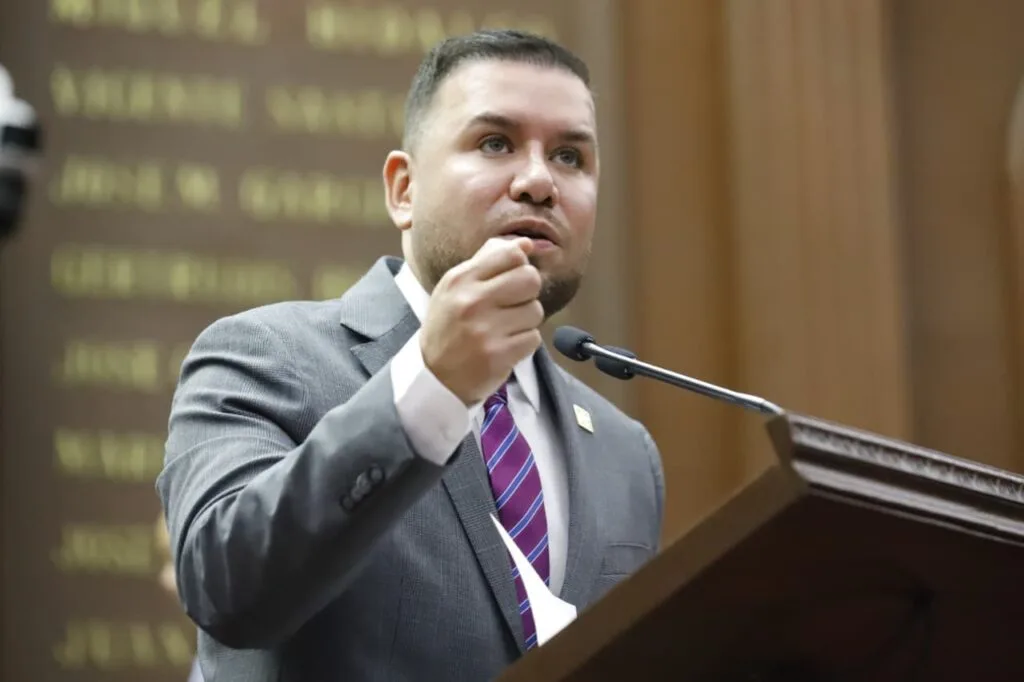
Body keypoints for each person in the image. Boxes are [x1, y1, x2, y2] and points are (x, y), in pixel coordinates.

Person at [157, 29, 665, 682]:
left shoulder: (625, 453)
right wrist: (431, 384)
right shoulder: (263, 358)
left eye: (570, 156)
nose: (540, 181)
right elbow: (224, 587)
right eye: (495, 143)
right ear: (403, 189)